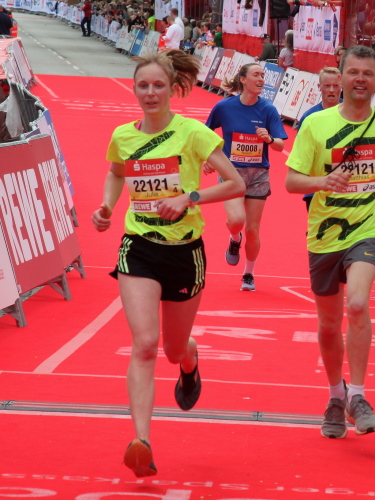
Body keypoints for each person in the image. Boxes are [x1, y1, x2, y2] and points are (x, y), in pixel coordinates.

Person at [91, 49, 245, 477]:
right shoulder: (123, 135)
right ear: (134, 89)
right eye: (143, 85)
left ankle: (190, 358)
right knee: (144, 344)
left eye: (158, 85)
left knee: (173, 349)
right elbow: (117, 172)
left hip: (185, 253)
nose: (150, 92)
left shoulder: (193, 133)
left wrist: (188, 198)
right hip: (139, 246)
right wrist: (107, 207)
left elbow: (235, 183)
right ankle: (141, 441)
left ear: (172, 89)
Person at [285, 45, 375, 439]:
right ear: (340, 78)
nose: (360, 79)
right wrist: (321, 181)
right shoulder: (316, 124)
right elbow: (292, 181)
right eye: (353, 72)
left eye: (368, 73)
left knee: (358, 303)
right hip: (325, 233)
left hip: (370, 227)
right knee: (329, 325)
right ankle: (335, 396)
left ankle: (358, 395)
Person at [205, 63, 287, 291]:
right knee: (236, 221)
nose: (261, 79)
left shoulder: (268, 110)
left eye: (263, 75)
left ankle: (248, 274)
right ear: (243, 80)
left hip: (258, 174)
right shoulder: (224, 107)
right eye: (256, 75)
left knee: (252, 229)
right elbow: (205, 134)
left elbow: (280, 145)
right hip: (231, 173)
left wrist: (269, 139)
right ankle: (234, 238)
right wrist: (208, 158)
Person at [294, 67, 343, 210]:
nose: (332, 90)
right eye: (327, 86)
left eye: (336, 85)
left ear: (342, 86)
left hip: (346, 189)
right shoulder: (309, 117)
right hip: (316, 190)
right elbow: (300, 155)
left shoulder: (354, 113)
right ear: (319, 87)